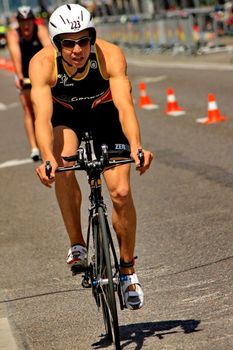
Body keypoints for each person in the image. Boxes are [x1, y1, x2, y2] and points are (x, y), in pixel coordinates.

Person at [29, 3, 153, 310]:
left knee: (121, 192)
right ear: (57, 45)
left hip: (104, 115)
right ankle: (77, 243)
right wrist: (46, 157)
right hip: (65, 118)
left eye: (84, 40)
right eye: (68, 43)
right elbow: (42, 117)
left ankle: (127, 272)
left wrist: (137, 145)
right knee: (63, 164)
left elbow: (125, 106)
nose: (77, 49)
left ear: (92, 38)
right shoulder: (43, 64)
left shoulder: (109, 55)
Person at [7, 6, 51, 161]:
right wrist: (19, 75)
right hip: (24, 73)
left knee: (50, 106)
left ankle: (51, 140)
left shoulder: (41, 30)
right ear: (18, 23)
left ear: (33, 21)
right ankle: (34, 148)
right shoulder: (13, 34)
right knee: (28, 110)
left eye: (28, 21)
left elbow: (48, 49)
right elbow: (15, 55)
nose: (26, 25)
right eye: (22, 22)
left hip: (41, 71)